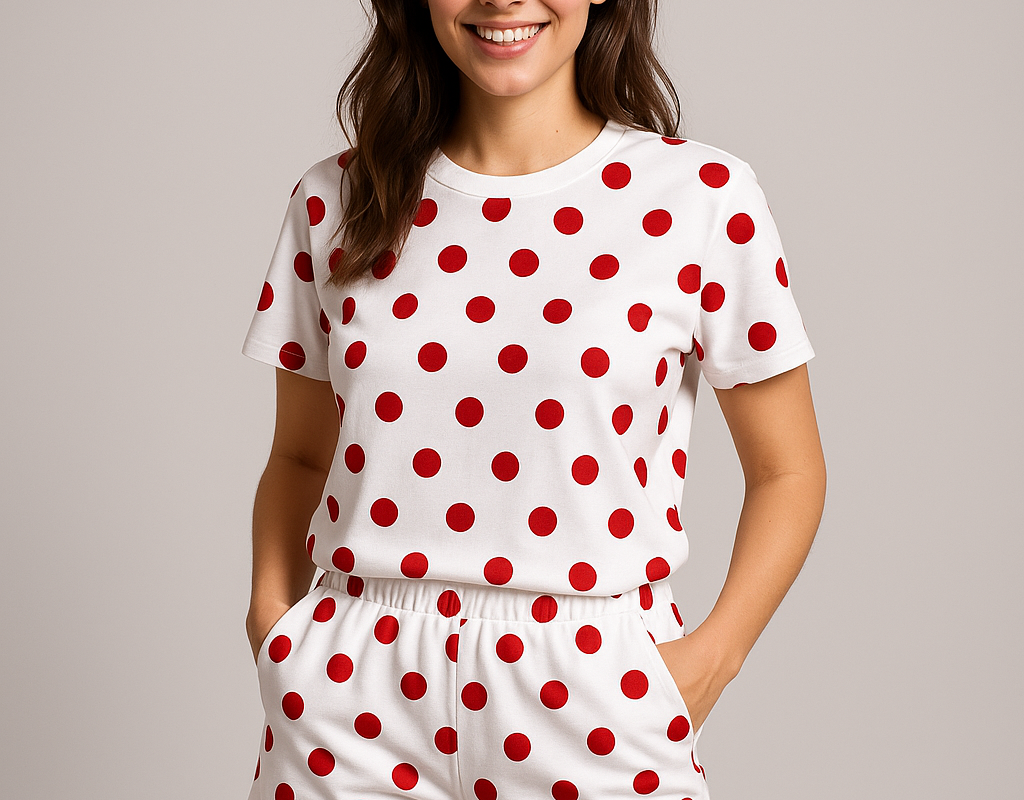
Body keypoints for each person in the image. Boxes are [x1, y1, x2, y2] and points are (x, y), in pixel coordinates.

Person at [240, 1, 827, 797]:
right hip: (351, 687)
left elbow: (789, 469)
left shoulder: (703, 197)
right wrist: (272, 622)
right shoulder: (335, 198)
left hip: (592, 681)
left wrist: (713, 658)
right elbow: (300, 456)